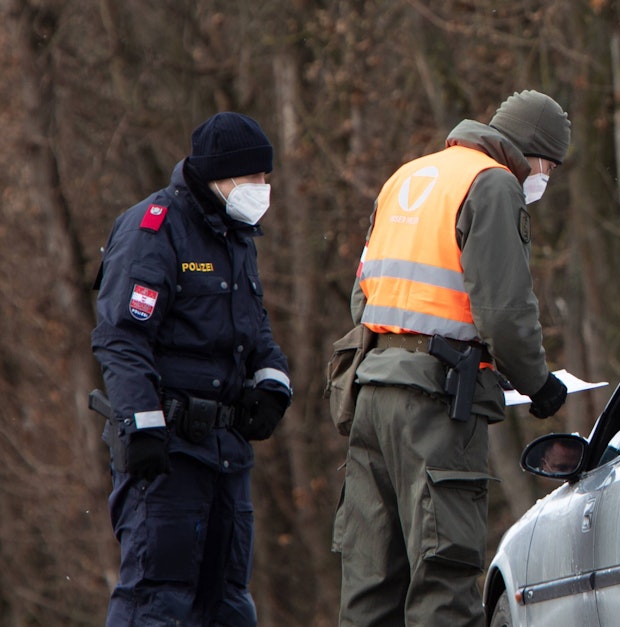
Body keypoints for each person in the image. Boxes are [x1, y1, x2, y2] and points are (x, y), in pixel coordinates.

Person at [334, 90, 572, 626]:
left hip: (371, 393)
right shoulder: (493, 184)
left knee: (371, 584)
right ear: (531, 153)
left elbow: (362, 299)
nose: (544, 179)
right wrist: (539, 383)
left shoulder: (408, 176)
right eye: (549, 166)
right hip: (436, 406)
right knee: (444, 575)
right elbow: (504, 311)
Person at [92, 111, 293, 626]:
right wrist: (142, 425)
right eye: (253, 178)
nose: (262, 188)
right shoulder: (154, 229)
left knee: (226, 604)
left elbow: (256, 330)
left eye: (266, 177)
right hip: (168, 457)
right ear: (218, 176)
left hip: (227, 457)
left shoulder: (237, 236)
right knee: (157, 601)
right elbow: (122, 337)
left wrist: (273, 385)